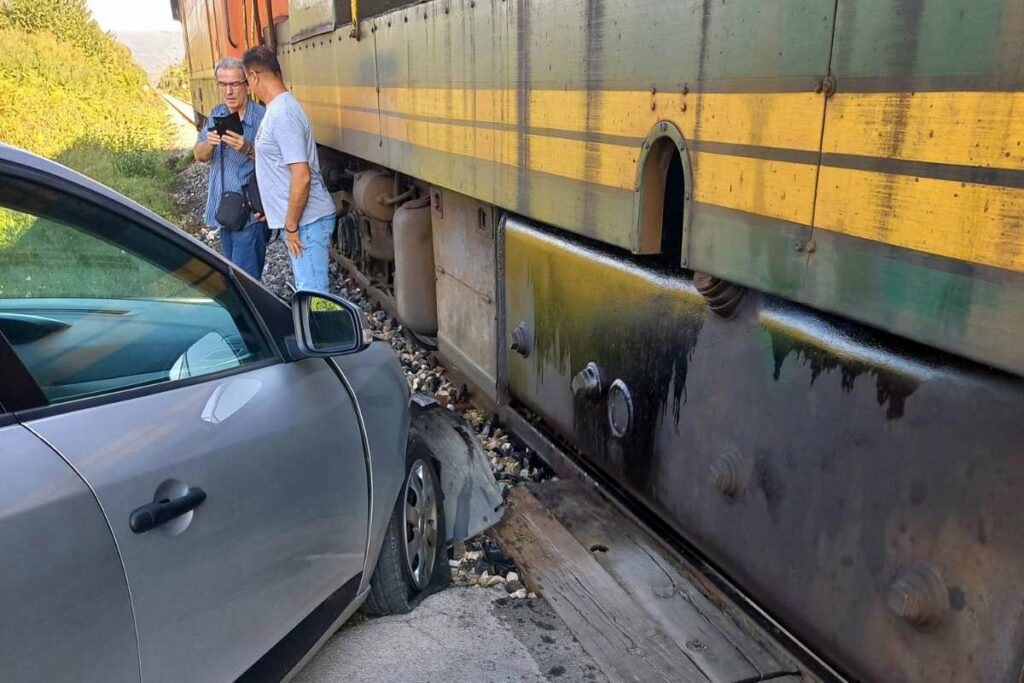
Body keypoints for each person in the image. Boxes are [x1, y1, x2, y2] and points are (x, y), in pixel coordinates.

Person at [242, 45, 336, 294]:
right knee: (310, 292)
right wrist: (271, 209)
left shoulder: (283, 113)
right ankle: (317, 333)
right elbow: (278, 167)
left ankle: (323, 334)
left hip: (307, 222)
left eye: (246, 81)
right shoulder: (277, 109)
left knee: (316, 296)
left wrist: (291, 225)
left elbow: (302, 176)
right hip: (301, 221)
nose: (248, 88)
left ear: (254, 76)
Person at [193, 57, 267, 280]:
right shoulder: (217, 114)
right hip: (224, 213)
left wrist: (248, 149)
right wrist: (209, 143)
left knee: (246, 282)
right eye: (223, 85)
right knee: (234, 278)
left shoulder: (262, 118)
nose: (229, 91)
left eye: (234, 84)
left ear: (246, 84)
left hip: (249, 215)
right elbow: (199, 155)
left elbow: (278, 165)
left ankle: (252, 315)